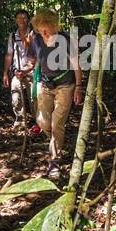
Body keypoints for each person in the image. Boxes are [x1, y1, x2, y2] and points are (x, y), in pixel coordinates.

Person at [30, 9, 83, 179]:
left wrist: (78, 86)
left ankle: (54, 161)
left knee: (57, 122)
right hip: (45, 84)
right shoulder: (36, 38)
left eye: (46, 29)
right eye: (40, 29)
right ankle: (56, 141)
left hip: (65, 85)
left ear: (54, 26)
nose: (43, 32)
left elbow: (76, 65)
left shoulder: (66, 40)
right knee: (43, 121)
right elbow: (36, 60)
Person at [2, 8, 37, 127]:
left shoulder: (34, 34)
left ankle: (38, 122)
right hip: (17, 72)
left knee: (34, 99)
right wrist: (5, 73)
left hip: (32, 72)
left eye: (24, 18)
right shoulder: (12, 36)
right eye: (19, 18)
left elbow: (39, 55)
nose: (22, 20)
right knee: (16, 97)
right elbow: (9, 55)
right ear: (15, 20)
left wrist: (27, 69)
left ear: (28, 20)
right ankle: (21, 121)